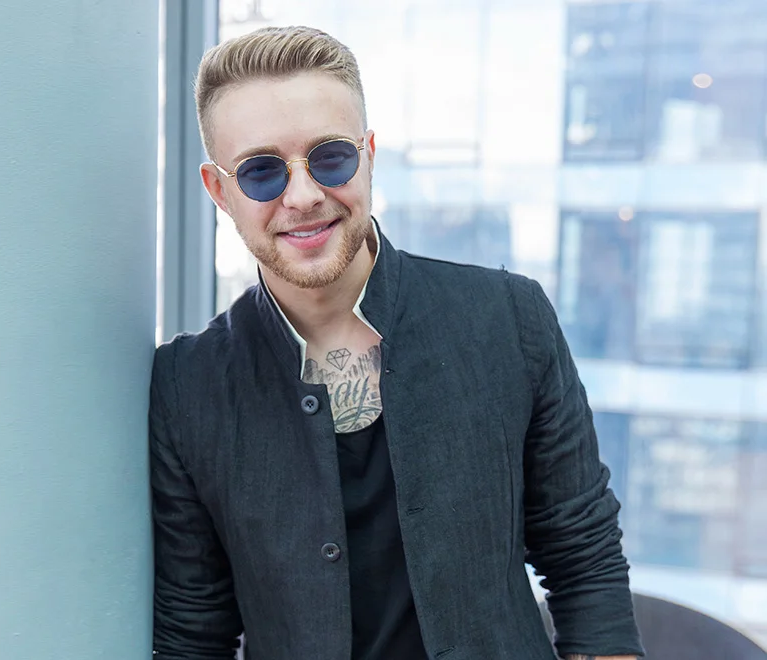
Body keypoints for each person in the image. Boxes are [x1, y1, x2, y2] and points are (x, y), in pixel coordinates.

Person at [149, 25, 644, 660]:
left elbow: (585, 560)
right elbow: (193, 634)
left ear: (370, 155)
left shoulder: (508, 318)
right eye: (261, 171)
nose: (304, 196)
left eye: (331, 157)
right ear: (219, 191)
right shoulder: (186, 385)